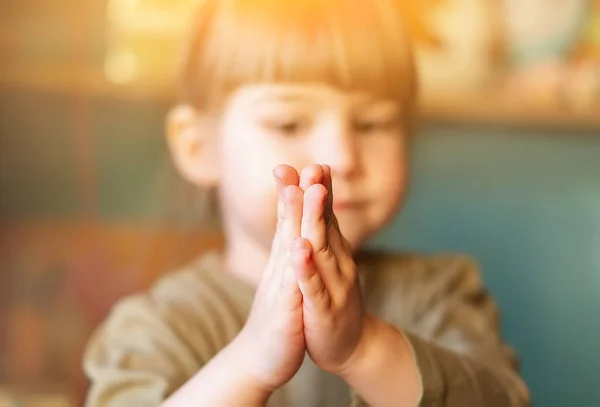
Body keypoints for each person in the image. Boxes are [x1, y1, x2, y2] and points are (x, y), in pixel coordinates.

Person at [83, 0, 530, 405]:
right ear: (199, 146)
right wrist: (252, 361)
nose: (341, 157)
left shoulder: (438, 295)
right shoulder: (158, 329)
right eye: (290, 122)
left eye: (374, 123)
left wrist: (363, 347)